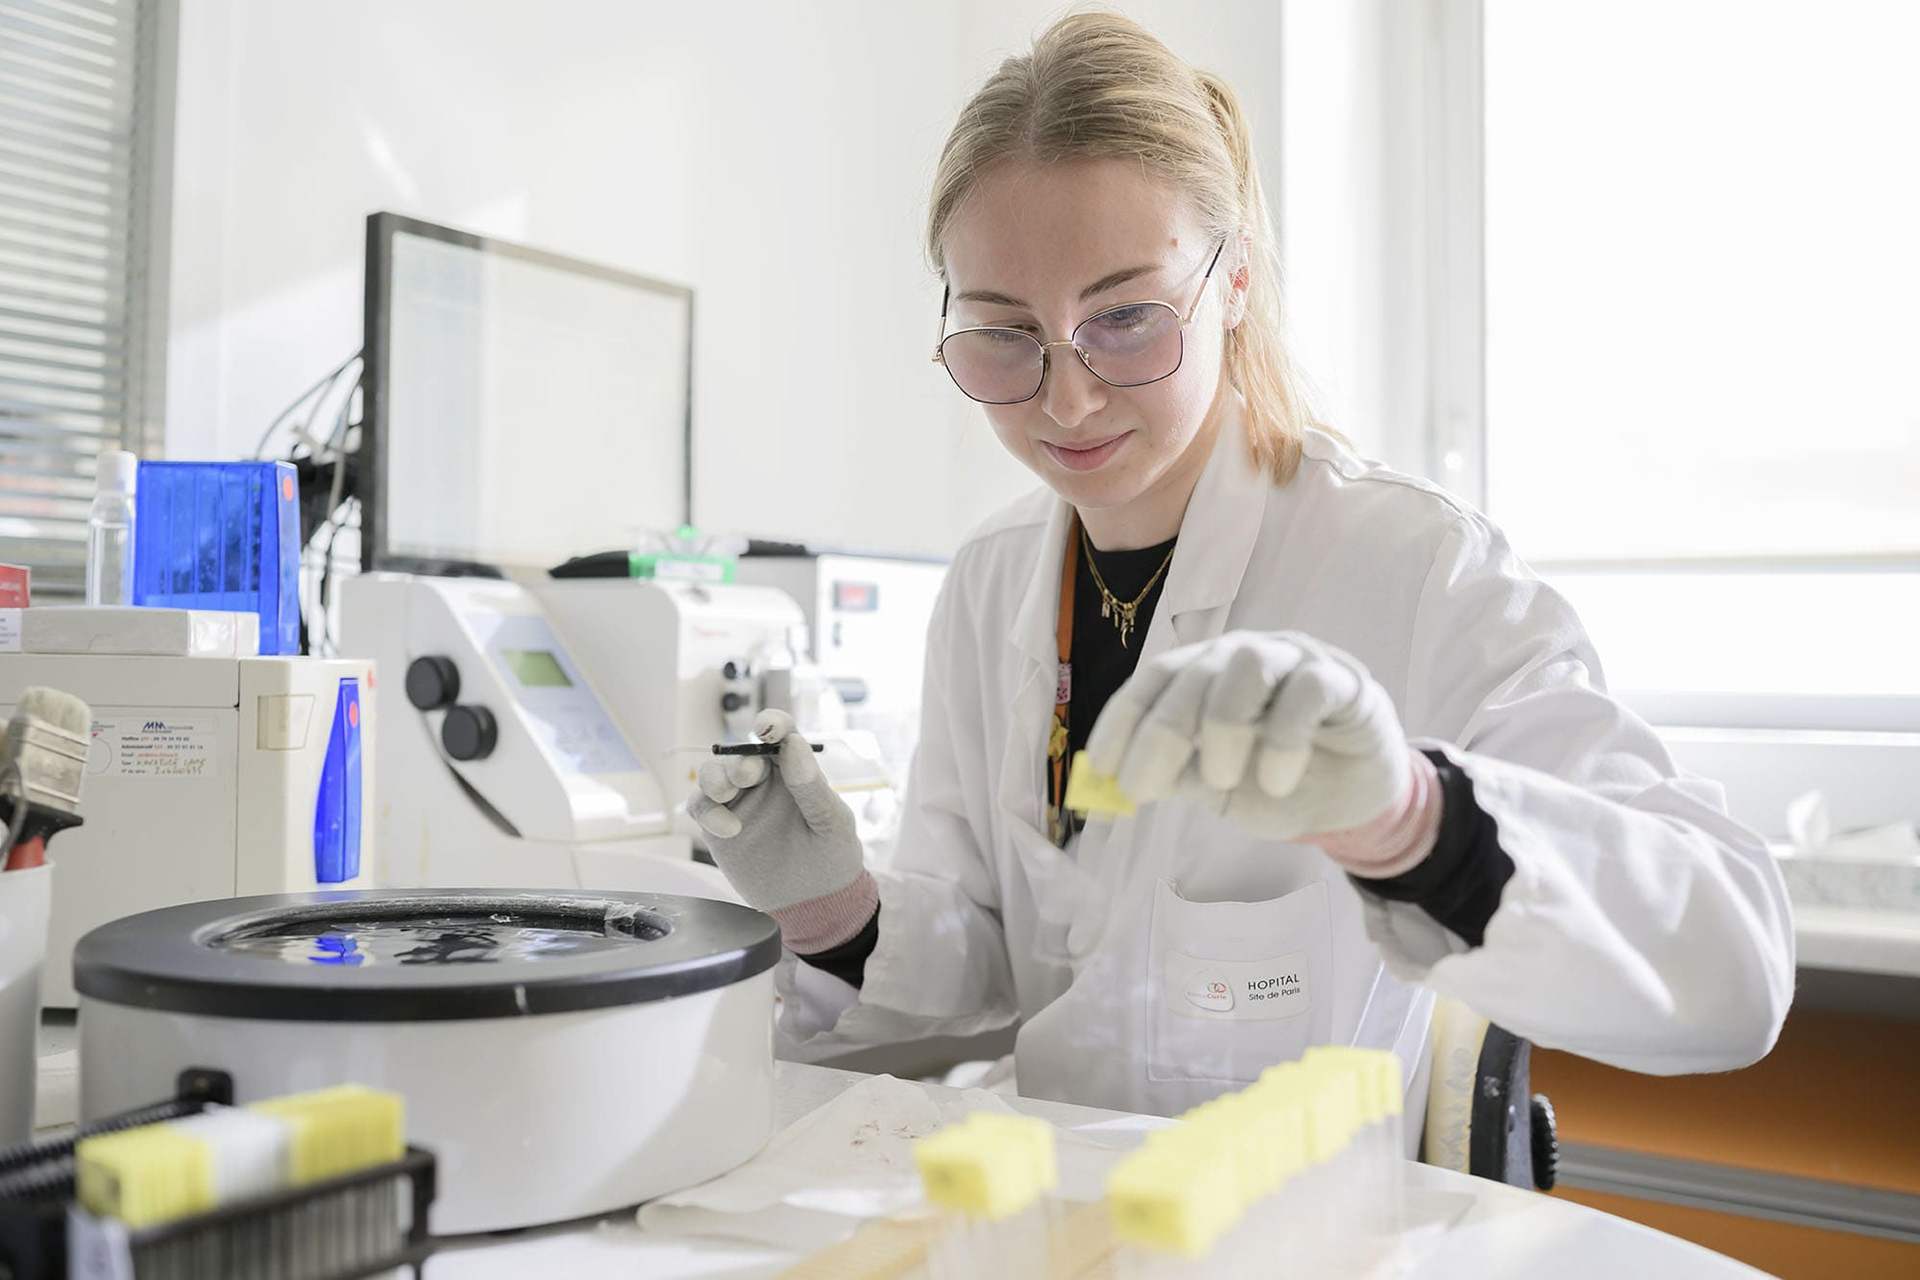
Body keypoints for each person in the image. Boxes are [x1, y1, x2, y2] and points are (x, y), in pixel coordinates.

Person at [690, 11, 1793, 1121]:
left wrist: (1415, 820)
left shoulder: (1411, 566)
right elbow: (995, 958)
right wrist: (839, 912)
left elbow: (1735, 969)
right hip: (1063, 1219)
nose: (1066, 398)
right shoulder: (988, 586)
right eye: (1003, 332)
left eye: (1125, 318)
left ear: (1235, 283)